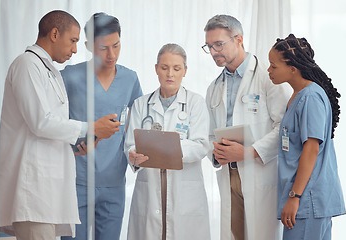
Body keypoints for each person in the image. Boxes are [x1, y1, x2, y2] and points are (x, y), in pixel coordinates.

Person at [0, 10, 120, 240]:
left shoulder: (50, 71)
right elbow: (40, 122)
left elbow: (52, 127)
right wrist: (91, 127)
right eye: (73, 41)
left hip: (48, 194)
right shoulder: (27, 65)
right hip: (33, 192)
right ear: (55, 34)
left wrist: (74, 147)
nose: (75, 49)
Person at [203, 15, 291, 240]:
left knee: (261, 234)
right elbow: (210, 132)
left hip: (260, 171)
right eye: (209, 46)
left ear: (239, 39)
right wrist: (215, 153)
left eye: (218, 44)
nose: (213, 52)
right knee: (235, 234)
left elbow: (285, 126)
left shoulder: (268, 76)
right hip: (229, 173)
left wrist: (249, 152)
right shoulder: (214, 88)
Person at [60, 13, 143, 240]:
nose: (111, 54)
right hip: (76, 181)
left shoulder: (130, 79)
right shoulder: (69, 77)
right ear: (87, 46)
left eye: (116, 46)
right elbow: (53, 124)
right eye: (103, 48)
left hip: (114, 181)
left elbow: (137, 127)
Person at [124, 43, 211, 240]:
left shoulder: (195, 103)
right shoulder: (141, 104)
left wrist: (168, 146)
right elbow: (130, 144)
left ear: (185, 71)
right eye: (164, 68)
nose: (170, 74)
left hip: (184, 191)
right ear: (156, 69)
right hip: (150, 188)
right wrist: (133, 155)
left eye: (176, 68)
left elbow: (201, 145)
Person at [268, 34, 346, 239]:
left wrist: (295, 196)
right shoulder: (297, 95)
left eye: (273, 66)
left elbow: (311, 149)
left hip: (308, 198)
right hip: (304, 198)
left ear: (293, 68)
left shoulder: (310, 97)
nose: (269, 71)